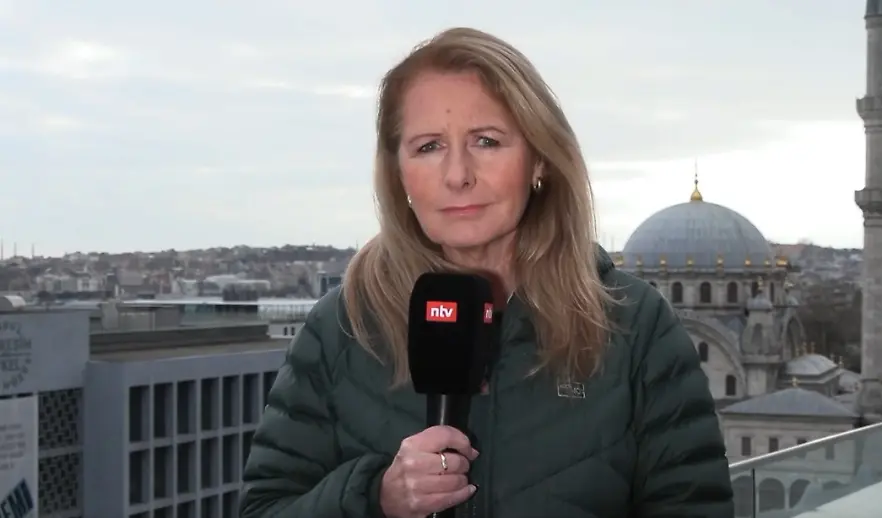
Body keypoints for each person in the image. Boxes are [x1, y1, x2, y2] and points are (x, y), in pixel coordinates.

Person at [240, 27, 733, 518]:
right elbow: (265, 508)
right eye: (428, 147)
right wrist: (375, 497)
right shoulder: (343, 327)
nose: (458, 175)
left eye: (486, 141)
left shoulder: (632, 325)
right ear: (398, 173)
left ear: (539, 160)